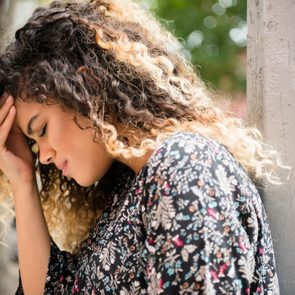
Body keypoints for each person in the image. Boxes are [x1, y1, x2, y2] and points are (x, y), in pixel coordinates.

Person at [0, 0, 283, 294]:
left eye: (42, 130)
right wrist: (23, 182)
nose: (43, 156)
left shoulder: (185, 167)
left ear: (86, 85)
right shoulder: (125, 191)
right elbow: (53, 289)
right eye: (34, 144)